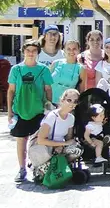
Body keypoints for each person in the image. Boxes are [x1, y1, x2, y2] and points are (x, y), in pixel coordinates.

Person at [7, 39, 53, 182]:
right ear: (23, 52)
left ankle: (38, 167)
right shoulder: (16, 69)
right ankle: (21, 169)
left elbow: (48, 89)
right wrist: (10, 111)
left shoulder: (43, 70)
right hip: (20, 110)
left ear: (38, 53)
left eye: (34, 51)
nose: (31, 53)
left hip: (38, 110)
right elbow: (11, 90)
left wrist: (48, 107)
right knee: (21, 140)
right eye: (28, 50)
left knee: (38, 141)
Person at [26, 89, 82, 183]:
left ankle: (62, 167)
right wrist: (60, 144)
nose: (72, 103)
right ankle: (41, 170)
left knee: (77, 149)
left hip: (59, 147)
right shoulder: (52, 116)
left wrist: (66, 144)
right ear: (62, 100)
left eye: (75, 101)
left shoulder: (71, 118)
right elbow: (41, 140)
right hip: (45, 147)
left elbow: (69, 138)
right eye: (69, 100)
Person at [49, 40, 85, 104]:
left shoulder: (81, 68)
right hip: (50, 103)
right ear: (64, 50)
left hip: (67, 105)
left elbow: (82, 91)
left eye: (74, 49)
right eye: (68, 49)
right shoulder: (56, 63)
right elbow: (46, 84)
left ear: (79, 50)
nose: (71, 51)